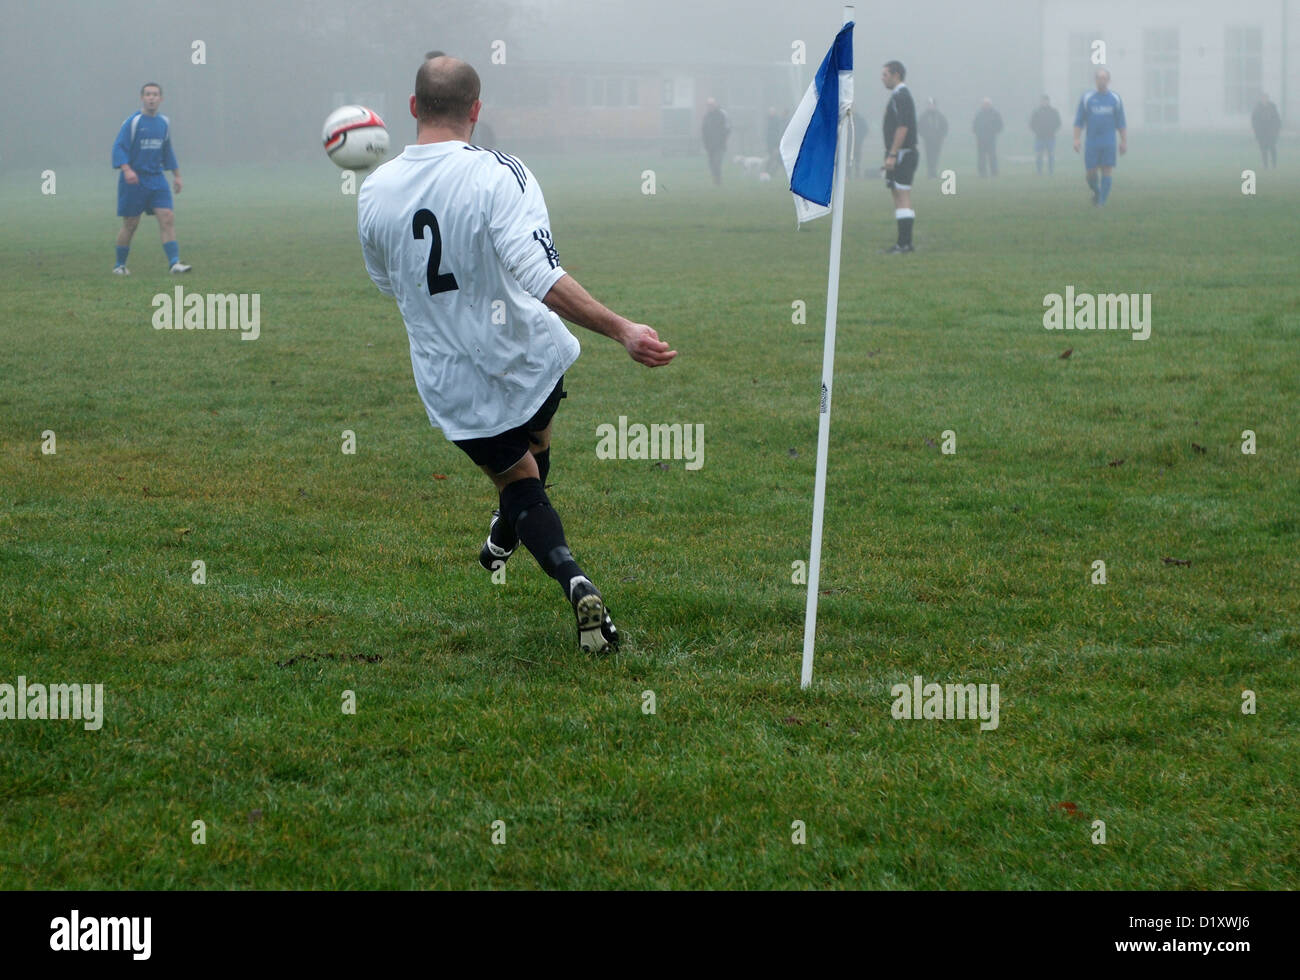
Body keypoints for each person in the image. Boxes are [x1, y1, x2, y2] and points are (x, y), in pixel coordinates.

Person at [357, 56, 676, 654]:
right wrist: (623, 329)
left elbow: (388, 282)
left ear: (411, 106)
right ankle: (518, 531)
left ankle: (568, 574)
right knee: (533, 451)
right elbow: (540, 274)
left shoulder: (373, 192)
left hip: (454, 381)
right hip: (528, 357)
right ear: (477, 110)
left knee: (518, 478)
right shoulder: (500, 173)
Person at [111, 83, 190, 275]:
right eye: (148, 94)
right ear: (142, 98)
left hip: (156, 179)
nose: (151, 98)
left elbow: (167, 150)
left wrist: (177, 176)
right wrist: (127, 169)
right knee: (130, 223)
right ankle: (119, 266)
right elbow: (118, 147)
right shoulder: (133, 122)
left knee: (167, 217)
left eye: (155, 94)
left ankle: (174, 263)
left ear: (161, 99)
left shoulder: (164, 123)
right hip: (134, 180)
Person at [1073, 68, 1127, 206]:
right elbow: (1079, 121)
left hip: (1109, 142)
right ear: (1095, 80)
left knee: (1107, 170)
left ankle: (1101, 203)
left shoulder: (1115, 99)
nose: (1101, 80)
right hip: (1092, 142)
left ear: (1109, 80)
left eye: (1104, 78)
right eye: (1099, 78)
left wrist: (1123, 141)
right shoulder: (1087, 98)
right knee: (1090, 173)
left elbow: (1121, 122)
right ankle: (1097, 192)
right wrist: (1077, 139)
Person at [880, 60, 918, 253]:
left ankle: (904, 244)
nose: (882, 79)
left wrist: (893, 154)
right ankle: (903, 243)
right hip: (900, 153)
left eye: (885, 75)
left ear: (896, 75)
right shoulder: (898, 96)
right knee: (898, 194)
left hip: (903, 154)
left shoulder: (901, 96)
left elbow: (903, 127)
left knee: (902, 195)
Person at [701, 97, 730, 185]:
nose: (710, 107)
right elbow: (704, 130)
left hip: (720, 145)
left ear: (716, 104)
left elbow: (728, 128)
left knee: (717, 164)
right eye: (708, 105)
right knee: (712, 165)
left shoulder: (722, 114)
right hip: (709, 146)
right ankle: (716, 180)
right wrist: (705, 144)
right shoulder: (706, 116)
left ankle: (718, 182)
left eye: (712, 105)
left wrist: (724, 139)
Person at [1030, 95, 1061, 175]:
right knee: (1039, 156)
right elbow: (1032, 124)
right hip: (1039, 138)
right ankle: (1039, 171)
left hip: (1050, 138)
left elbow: (1058, 123)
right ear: (1041, 102)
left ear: (1048, 101)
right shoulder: (1036, 112)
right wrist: (1037, 131)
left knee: (1051, 155)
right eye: (1043, 101)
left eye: (1046, 101)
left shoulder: (1053, 112)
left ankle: (1051, 171)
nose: (1044, 102)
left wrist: (1052, 130)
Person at [972, 97, 1003, 177]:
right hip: (980, 139)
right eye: (985, 104)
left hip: (991, 139)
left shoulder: (995, 114)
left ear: (990, 105)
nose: (986, 105)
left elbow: (1000, 125)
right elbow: (974, 126)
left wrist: (994, 132)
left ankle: (994, 172)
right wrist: (978, 134)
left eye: (987, 104)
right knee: (981, 156)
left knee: (992, 156)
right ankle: (982, 172)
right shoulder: (979, 114)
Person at [918, 98, 948, 178]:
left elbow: (945, 127)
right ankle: (930, 173)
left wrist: (941, 136)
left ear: (935, 106)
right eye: (929, 105)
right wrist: (925, 136)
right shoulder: (924, 116)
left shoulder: (940, 116)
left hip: (938, 141)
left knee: (936, 156)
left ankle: (934, 172)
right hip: (928, 141)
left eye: (932, 105)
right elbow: (920, 127)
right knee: (929, 157)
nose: (931, 106)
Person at [1251, 93, 1281, 169]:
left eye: (1266, 98)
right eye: (1263, 98)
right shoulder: (1257, 108)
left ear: (1268, 98)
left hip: (1271, 132)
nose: (1264, 99)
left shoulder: (1272, 107)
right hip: (1261, 133)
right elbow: (1254, 120)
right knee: (1263, 150)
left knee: (1272, 148)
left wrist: (1276, 130)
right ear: (1261, 99)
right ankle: (1265, 166)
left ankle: (1274, 165)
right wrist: (1257, 131)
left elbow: (1277, 119)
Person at [852, 109, 868, 177]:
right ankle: (847, 174)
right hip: (849, 142)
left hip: (857, 141)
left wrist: (861, 137)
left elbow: (865, 129)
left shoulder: (859, 119)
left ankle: (857, 173)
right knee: (848, 158)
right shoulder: (847, 118)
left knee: (857, 158)